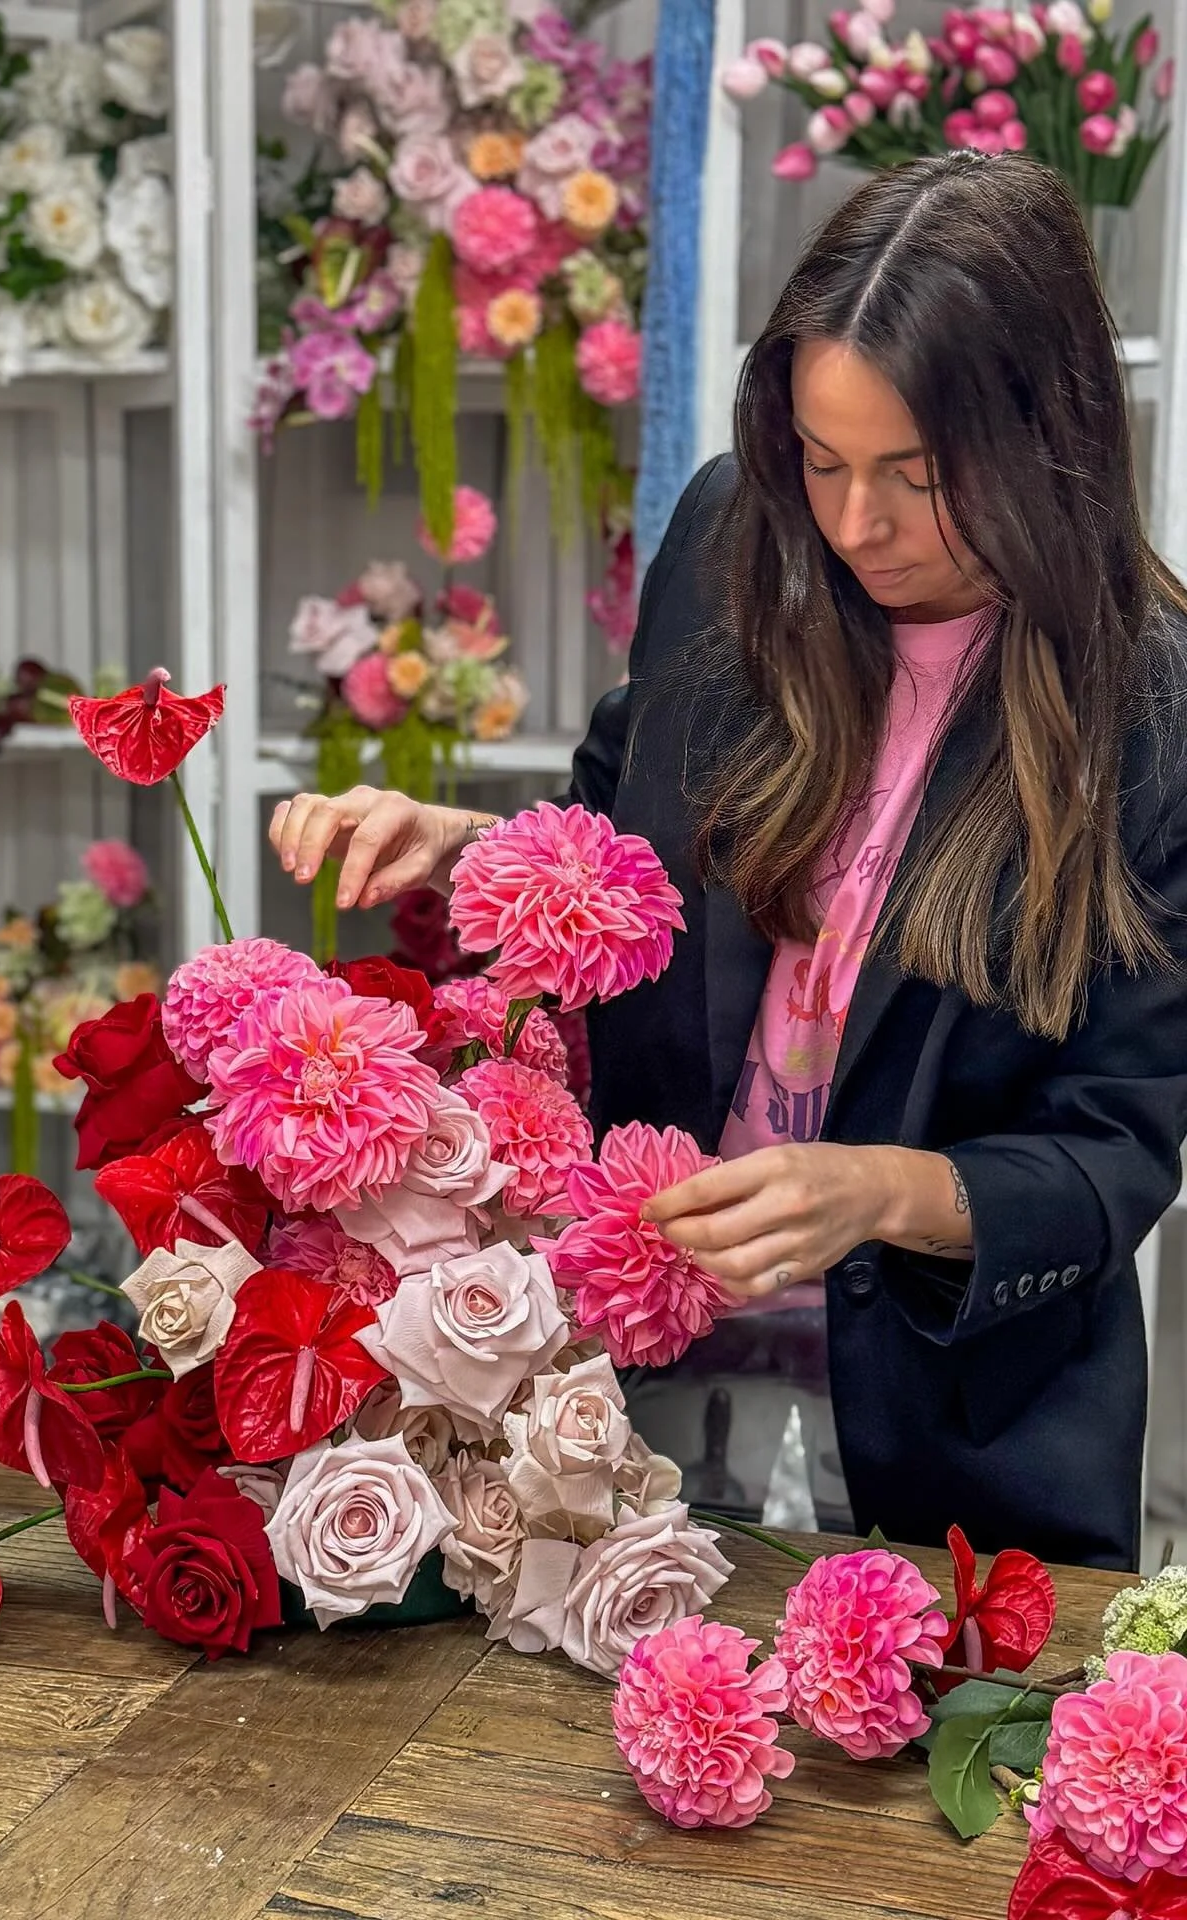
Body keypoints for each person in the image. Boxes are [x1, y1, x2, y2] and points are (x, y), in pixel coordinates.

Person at [269, 153, 1187, 1571]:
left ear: (1045, 441)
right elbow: (622, 838)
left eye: (918, 478)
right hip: (633, 1372)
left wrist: (877, 1190)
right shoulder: (731, 542)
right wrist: (465, 850)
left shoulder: (1150, 712)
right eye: (824, 461)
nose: (856, 524)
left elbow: (1112, 1153)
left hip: (960, 1429)